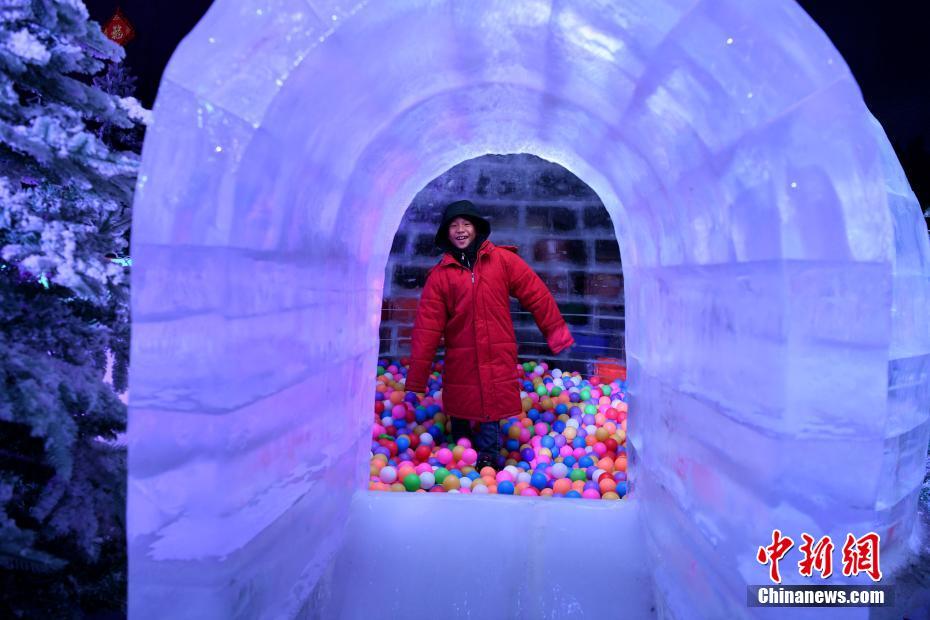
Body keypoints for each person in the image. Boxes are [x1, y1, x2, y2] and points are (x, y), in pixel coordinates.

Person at [404, 199, 575, 471]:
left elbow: (537, 295)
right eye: (454, 226)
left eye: (466, 224)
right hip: (461, 354)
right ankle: (461, 446)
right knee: (461, 400)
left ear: (477, 228)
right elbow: (427, 328)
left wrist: (557, 333)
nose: (460, 230)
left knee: (490, 403)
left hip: (497, 351)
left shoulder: (503, 261)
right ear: (446, 233)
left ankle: (487, 454)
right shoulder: (440, 276)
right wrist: (417, 379)